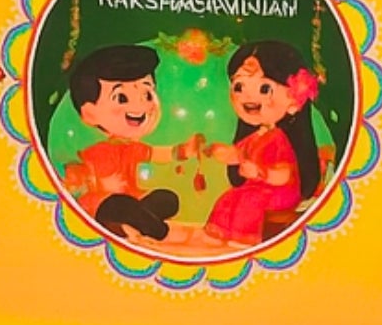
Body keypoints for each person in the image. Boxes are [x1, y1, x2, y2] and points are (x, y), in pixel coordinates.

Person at [188, 38, 323, 249]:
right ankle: (216, 234)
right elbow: (238, 154)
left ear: (294, 101)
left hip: (280, 192)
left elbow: (284, 174)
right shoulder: (256, 136)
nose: (248, 96)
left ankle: (243, 239)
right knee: (228, 199)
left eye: (264, 88)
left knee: (248, 202)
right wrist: (218, 151)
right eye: (239, 86)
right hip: (256, 189)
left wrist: (260, 173)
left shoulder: (279, 138)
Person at [57, 43, 180, 244]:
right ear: (90, 113)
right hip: (103, 202)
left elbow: (158, 154)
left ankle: (128, 225)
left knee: (166, 198)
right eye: (121, 98)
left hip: (133, 199)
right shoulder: (96, 151)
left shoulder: (133, 147)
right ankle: (156, 230)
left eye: (147, 94)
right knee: (120, 204)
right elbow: (80, 176)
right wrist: (89, 182)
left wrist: (183, 150)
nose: (140, 106)